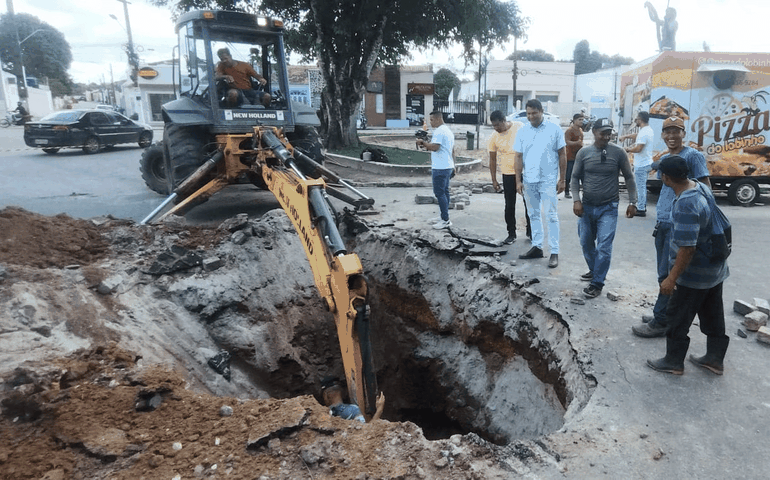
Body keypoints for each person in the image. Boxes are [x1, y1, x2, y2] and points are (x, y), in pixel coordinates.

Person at [646, 156, 729, 375]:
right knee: (713, 314)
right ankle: (714, 359)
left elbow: (687, 248)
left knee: (677, 317)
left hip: (694, 275)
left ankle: (673, 362)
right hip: (714, 269)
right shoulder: (699, 186)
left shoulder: (686, 203)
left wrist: (671, 278)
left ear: (666, 177)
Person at [632, 116, 711, 338]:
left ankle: (661, 320)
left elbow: (705, 187)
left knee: (671, 275)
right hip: (664, 223)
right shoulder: (666, 157)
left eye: (676, 131)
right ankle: (664, 312)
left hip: (680, 226)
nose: (671, 136)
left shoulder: (693, 156)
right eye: (667, 131)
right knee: (662, 273)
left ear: (684, 133)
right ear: (662, 135)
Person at [571, 119, 638, 299]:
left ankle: (597, 283)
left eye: (609, 133)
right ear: (594, 132)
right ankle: (595, 270)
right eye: (603, 133)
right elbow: (575, 178)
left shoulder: (618, 153)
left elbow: (630, 178)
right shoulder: (583, 153)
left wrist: (633, 202)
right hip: (586, 207)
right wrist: (576, 200)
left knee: (604, 246)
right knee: (586, 242)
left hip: (609, 207)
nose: (607, 137)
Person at [514, 99, 567, 268]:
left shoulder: (554, 129)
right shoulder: (523, 132)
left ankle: (554, 251)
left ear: (541, 111)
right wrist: (518, 180)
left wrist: (562, 179)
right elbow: (518, 157)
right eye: (528, 114)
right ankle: (537, 246)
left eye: (534, 113)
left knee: (551, 215)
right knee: (533, 214)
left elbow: (562, 154)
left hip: (548, 180)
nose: (531, 117)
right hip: (529, 180)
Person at [488, 110, 530, 244]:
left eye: (498, 125)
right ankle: (511, 234)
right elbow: (492, 160)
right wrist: (494, 180)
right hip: (507, 174)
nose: (496, 128)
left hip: (525, 173)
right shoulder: (494, 137)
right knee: (509, 205)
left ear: (504, 120)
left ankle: (531, 232)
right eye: (493, 126)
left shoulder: (519, 127)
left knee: (529, 203)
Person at [416, 111, 455, 230]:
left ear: (438, 119)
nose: (430, 122)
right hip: (447, 165)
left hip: (440, 167)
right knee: (445, 192)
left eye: (432, 120)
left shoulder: (439, 131)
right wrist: (454, 166)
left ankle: (445, 220)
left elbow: (435, 147)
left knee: (439, 193)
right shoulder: (448, 131)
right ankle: (444, 216)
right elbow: (452, 150)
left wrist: (423, 143)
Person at [620, 111, 655, 217]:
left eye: (636, 119)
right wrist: (626, 136)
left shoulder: (644, 132)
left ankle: (641, 208)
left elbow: (638, 148)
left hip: (642, 164)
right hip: (646, 162)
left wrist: (627, 149)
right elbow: (637, 136)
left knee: (640, 187)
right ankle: (641, 206)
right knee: (641, 186)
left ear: (640, 119)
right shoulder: (647, 130)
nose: (635, 121)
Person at [564, 113, 585, 199]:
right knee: (568, 175)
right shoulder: (569, 130)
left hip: (579, 157)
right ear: (574, 120)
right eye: (580, 120)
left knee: (582, 175)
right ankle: (566, 191)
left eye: (582, 120)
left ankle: (584, 192)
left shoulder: (580, 130)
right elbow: (567, 142)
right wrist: (577, 143)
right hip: (570, 157)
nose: (581, 122)